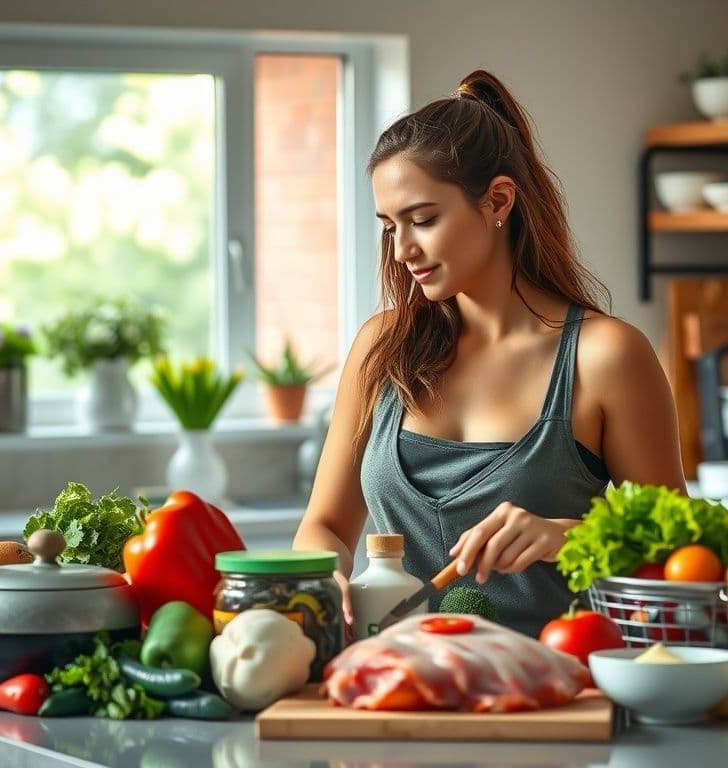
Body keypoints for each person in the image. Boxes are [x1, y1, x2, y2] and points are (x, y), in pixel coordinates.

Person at [293, 69, 686, 638]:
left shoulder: (605, 356)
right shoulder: (383, 348)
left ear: (498, 200)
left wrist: (567, 536)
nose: (403, 249)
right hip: (398, 686)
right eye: (389, 227)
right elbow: (325, 525)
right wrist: (321, 576)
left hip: (554, 692)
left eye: (423, 220)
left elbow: (680, 555)